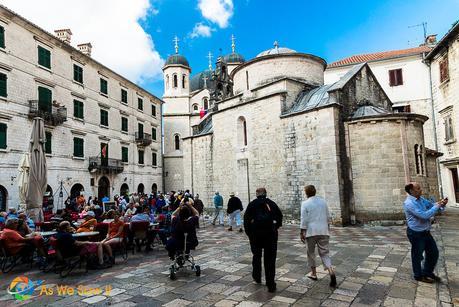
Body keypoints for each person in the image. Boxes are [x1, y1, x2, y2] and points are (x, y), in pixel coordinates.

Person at [404, 182, 447, 283]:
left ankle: (427, 272)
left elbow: (431, 205)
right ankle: (418, 276)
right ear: (411, 191)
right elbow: (424, 215)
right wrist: (436, 207)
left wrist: (440, 204)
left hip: (425, 231)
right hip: (416, 233)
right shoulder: (409, 203)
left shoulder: (421, 199)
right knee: (417, 255)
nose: (421, 190)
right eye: (418, 188)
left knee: (433, 252)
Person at [244, 188, 283, 293]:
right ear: (266, 194)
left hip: (255, 236)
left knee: (256, 256)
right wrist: (275, 229)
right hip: (270, 236)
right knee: (270, 259)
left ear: (256, 194)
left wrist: (250, 234)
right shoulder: (272, 204)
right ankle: (270, 284)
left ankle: (257, 277)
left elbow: (246, 221)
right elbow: (279, 218)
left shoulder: (252, 205)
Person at [300, 185, 336, 287]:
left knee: (310, 253)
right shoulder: (323, 202)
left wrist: (302, 232)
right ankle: (330, 270)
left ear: (306, 193)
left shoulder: (305, 203)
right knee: (324, 253)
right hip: (323, 231)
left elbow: (304, 219)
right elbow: (328, 216)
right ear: (315, 191)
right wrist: (327, 228)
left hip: (311, 232)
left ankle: (314, 274)